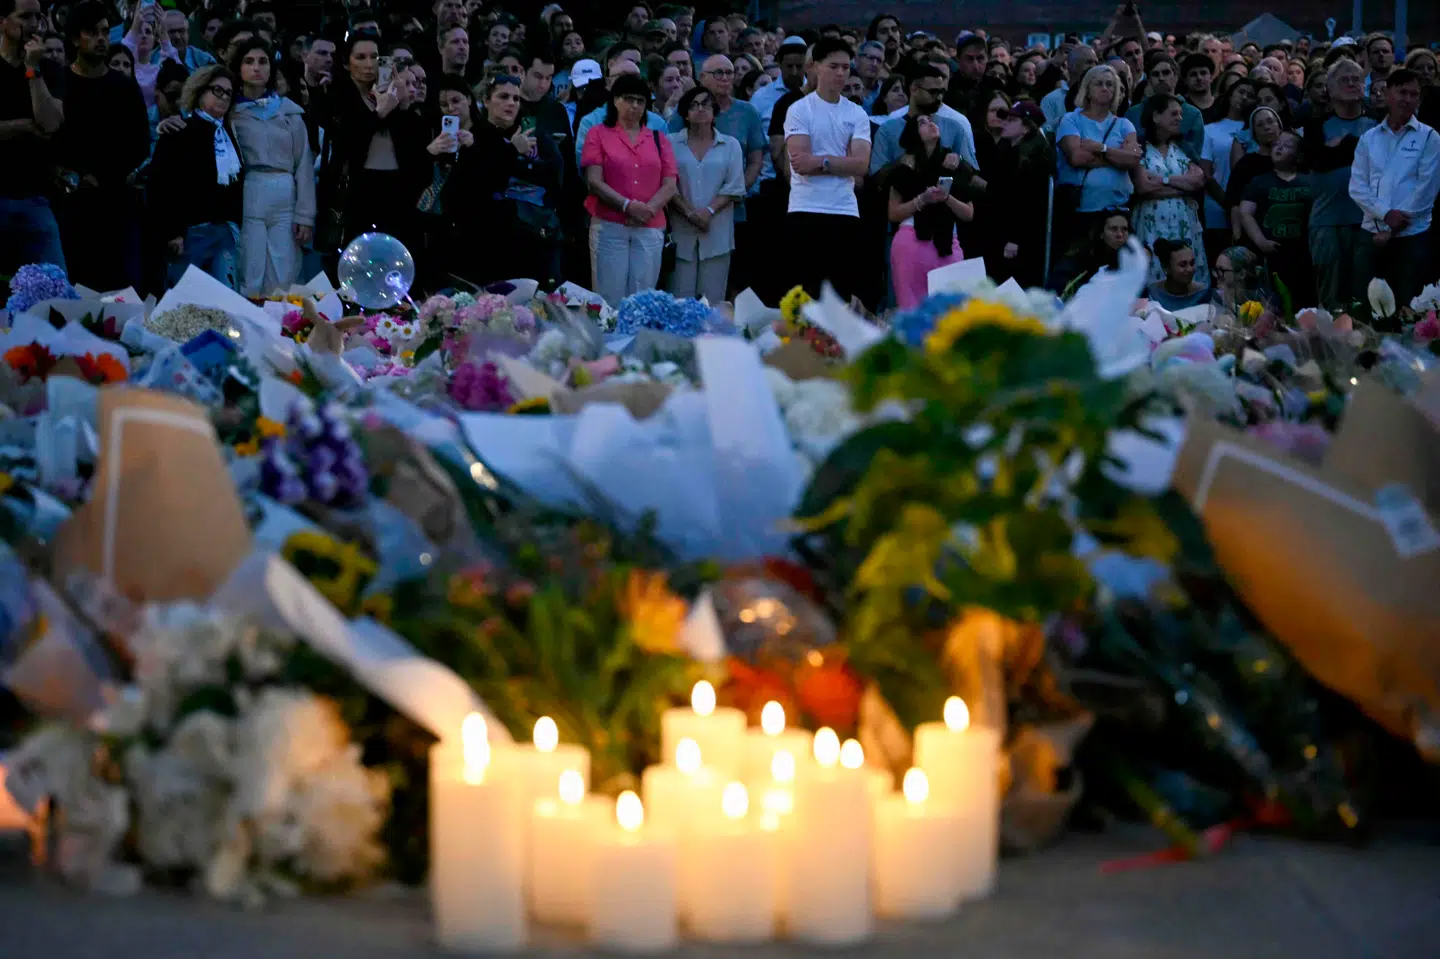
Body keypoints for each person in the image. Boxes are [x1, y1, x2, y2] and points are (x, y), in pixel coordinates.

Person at [55, 2, 149, 291]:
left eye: (105, 32)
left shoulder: (123, 87)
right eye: (91, 32)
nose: (100, 39)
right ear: (74, 38)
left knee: (117, 293)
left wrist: (106, 176)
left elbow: (139, 143)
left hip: (114, 205)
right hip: (70, 203)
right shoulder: (59, 83)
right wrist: (74, 176)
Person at [320, 31, 428, 251]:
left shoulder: (390, 94)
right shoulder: (337, 97)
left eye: (375, 57)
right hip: (357, 190)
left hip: (396, 189)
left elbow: (411, 145)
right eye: (360, 57)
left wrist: (402, 105)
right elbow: (347, 143)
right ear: (346, 63)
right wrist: (379, 113)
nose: (369, 64)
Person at [784, 37, 872, 299]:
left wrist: (820, 161)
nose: (841, 73)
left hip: (844, 209)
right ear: (815, 67)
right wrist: (839, 162)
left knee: (841, 296)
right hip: (805, 208)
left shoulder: (857, 114)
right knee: (804, 296)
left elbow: (861, 164)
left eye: (846, 67)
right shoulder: (799, 109)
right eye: (834, 66)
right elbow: (800, 162)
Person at [226, 37, 315, 296]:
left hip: (285, 192)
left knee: (284, 273)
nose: (257, 68)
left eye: (263, 61)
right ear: (238, 68)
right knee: (249, 268)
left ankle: (281, 329)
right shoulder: (231, 113)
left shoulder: (290, 112)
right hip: (250, 191)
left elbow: (304, 165)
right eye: (249, 61)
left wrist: (305, 216)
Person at [582, 72, 677, 305]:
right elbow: (594, 181)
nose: (635, 105)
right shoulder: (598, 133)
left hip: (650, 225)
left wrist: (648, 210)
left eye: (641, 101)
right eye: (629, 99)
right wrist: (627, 206)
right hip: (610, 224)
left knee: (642, 301)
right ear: (615, 100)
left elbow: (670, 183)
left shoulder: (658, 137)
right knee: (608, 299)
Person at [1349, 68, 1440, 309]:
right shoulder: (1369, 137)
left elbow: (1426, 189)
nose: (1407, 99)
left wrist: (1395, 225)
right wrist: (1384, 214)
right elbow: (1357, 186)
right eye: (1402, 92)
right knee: (1366, 309)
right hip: (1371, 233)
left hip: (1412, 236)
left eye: (1414, 94)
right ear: (1388, 93)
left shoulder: (1430, 137)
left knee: (1410, 308)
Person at [148, 64, 242, 288]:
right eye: (217, 90)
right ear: (200, 91)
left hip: (224, 231)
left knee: (225, 301)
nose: (223, 97)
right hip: (190, 234)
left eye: (228, 93)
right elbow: (162, 187)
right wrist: (173, 232)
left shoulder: (229, 134)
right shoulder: (178, 131)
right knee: (189, 304)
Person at [474, 73, 564, 285]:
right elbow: (481, 182)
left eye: (515, 98)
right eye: (503, 97)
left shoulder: (534, 134)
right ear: (486, 101)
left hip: (536, 237)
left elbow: (555, 178)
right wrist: (513, 153)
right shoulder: (476, 137)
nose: (510, 103)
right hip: (494, 241)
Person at [1303, 59, 1378, 311]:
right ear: (1330, 89)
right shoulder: (1316, 125)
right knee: (1331, 299)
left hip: (1368, 221)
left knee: (1366, 297)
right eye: (1344, 80)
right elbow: (1318, 161)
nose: (1351, 84)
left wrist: (1342, 145)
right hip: (1327, 220)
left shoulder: (1379, 124)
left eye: (1356, 79)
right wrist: (1357, 147)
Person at [0, 0, 66, 273]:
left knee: (54, 290)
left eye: (37, 17)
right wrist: (25, 126)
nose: (34, 24)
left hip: (35, 197)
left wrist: (32, 69)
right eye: (24, 16)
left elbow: (50, 123)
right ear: (2, 20)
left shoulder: (48, 69)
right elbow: (37, 125)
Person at [886, 113, 974, 308]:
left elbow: (968, 213)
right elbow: (893, 213)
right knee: (911, 314)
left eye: (931, 121)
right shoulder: (904, 169)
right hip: (911, 239)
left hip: (946, 243)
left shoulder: (952, 164)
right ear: (913, 134)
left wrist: (947, 198)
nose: (931, 124)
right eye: (922, 123)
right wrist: (922, 200)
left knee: (951, 314)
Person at [667, 86, 745, 303]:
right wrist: (691, 214)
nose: (700, 109)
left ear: (714, 111)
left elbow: (734, 186)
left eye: (705, 104)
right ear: (684, 112)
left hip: (717, 232)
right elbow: (667, 184)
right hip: (681, 233)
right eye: (694, 105)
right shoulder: (670, 143)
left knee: (713, 304)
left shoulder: (730, 145)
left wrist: (708, 212)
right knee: (678, 302)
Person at [1056, 64, 1140, 258]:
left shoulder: (1124, 124)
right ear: (1087, 88)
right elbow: (1076, 157)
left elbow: (1133, 160)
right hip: (1082, 210)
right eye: (1099, 84)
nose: (1105, 88)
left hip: (1118, 210)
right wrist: (1118, 156)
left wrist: (1101, 149)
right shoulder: (1071, 120)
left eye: (1110, 84)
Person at [974, 99, 1053, 288]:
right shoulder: (1008, 152)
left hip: (1017, 244)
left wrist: (1016, 240)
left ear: (1026, 128)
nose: (1004, 123)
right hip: (998, 235)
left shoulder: (1035, 161)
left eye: (1011, 120)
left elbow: (1031, 205)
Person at [1131, 94, 1209, 287]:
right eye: (1174, 113)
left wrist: (1163, 179)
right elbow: (1143, 187)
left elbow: (1197, 181)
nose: (1180, 118)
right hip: (1151, 226)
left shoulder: (1183, 148)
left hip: (1184, 224)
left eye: (1181, 114)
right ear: (1156, 116)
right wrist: (1182, 185)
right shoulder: (1139, 148)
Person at [1239, 129, 1313, 302]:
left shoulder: (1309, 181)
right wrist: (1260, 241)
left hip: (1303, 254)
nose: (1279, 148)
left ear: (1299, 155)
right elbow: (1245, 213)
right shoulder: (1259, 182)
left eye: (1287, 146)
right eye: (1276, 144)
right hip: (1271, 253)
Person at [1125, 53, 1202, 157]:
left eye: (1166, 73)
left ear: (1175, 77)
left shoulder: (1193, 114)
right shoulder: (1133, 113)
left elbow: (1196, 154)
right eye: (1155, 74)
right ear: (1149, 80)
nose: (1161, 78)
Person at [1052, 208, 1130, 296]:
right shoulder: (1079, 262)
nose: (1120, 234)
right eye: (1113, 229)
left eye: (1124, 229)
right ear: (1101, 234)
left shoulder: (1130, 263)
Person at [1145, 237, 1209, 310]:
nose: (1190, 269)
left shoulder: (1203, 293)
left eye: (1192, 263)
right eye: (1182, 265)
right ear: (1166, 267)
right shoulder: (1153, 293)